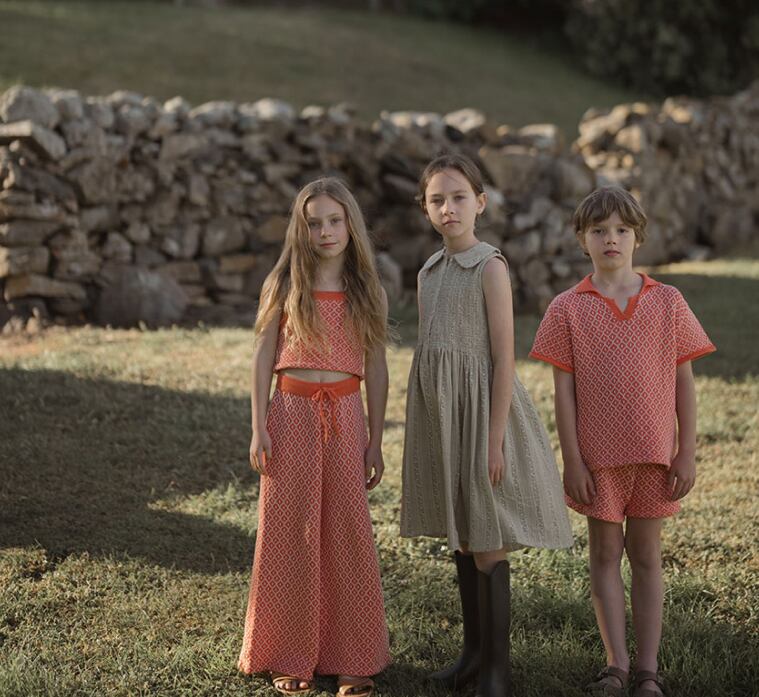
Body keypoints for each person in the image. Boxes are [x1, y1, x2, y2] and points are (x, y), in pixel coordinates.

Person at [529, 186, 715, 697]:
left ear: (638, 237)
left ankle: (648, 671)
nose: (610, 239)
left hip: (656, 457)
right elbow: (563, 393)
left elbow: (684, 383)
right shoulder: (567, 308)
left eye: (621, 230)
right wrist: (572, 460)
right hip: (598, 460)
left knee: (647, 556)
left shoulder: (668, 301)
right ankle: (616, 666)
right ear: (582, 239)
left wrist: (686, 451)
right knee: (605, 554)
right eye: (599, 230)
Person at [401, 153, 573, 697]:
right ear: (425, 209)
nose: (448, 208)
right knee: (463, 534)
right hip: (444, 416)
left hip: (482, 414)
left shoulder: (490, 267)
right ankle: (472, 656)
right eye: (437, 200)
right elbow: (433, 356)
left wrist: (494, 438)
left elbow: (502, 357)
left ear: (480, 202)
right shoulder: (428, 273)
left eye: (458, 197)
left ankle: (497, 670)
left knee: (487, 536)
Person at [238, 177, 391, 697]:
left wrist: (375, 439)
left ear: (350, 224)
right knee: (290, 533)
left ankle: (353, 657)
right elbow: (263, 356)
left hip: (346, 419)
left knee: (346, 532)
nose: (325, 231)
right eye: (313, 223)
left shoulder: (367, 289)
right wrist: (258, 426)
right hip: (291, 416)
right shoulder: (283, 284)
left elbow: (377, 367)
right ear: (299, 230)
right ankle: (288, 652)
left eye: (334, 220)